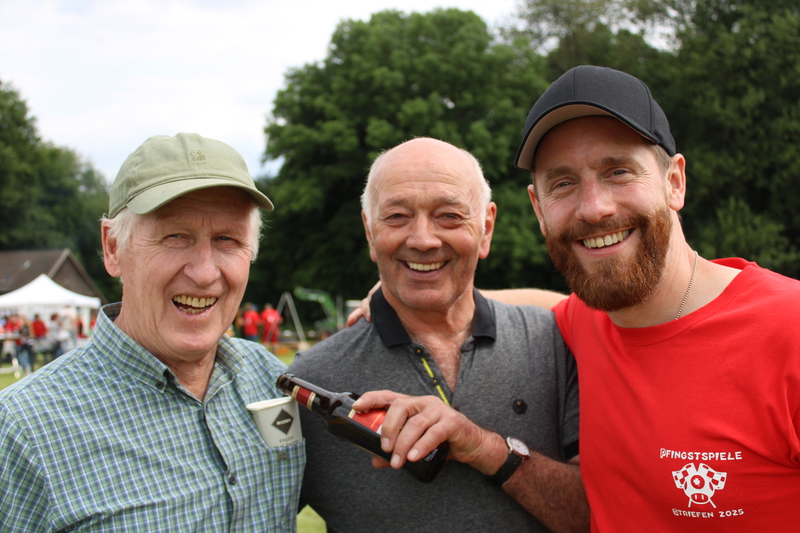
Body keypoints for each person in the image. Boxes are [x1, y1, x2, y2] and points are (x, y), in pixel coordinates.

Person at [361, 66, 800, 531]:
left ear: (675, 181)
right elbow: (547, 302)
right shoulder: (586, 322)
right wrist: (404, 295)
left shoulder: (787, 330)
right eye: (563, 184)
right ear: (539, 209)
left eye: (618, 171)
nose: (594, 208)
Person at [0, 132, 304, 531]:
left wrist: (381, 308)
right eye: (175, 236)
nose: (204, 273)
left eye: (227, 239)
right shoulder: (23, 430)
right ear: (113, 248)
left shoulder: (274, 381)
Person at [289, 137, 586, 532]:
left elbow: (600, 515)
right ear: (369, 231)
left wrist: (485, 448)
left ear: (486, 228)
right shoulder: (312, 381)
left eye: (449, 215)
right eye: (397, 216)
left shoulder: (555, 343)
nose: (423, 239)